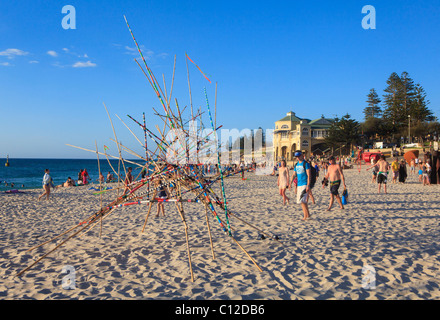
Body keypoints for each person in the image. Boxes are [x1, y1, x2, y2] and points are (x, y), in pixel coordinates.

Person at [289, 151, 311, 220]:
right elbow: (293, 174)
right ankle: (308, 215)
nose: (298, 158)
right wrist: (290, 183)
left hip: (304, 184)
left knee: (302, 201)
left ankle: (305, 216)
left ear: (302, 155)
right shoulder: (296, 165)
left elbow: (309, 175)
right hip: (299, 184)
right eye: (296, 157)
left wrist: (308, 185)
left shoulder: (306, 164)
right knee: (303, 201)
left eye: (299, 156)